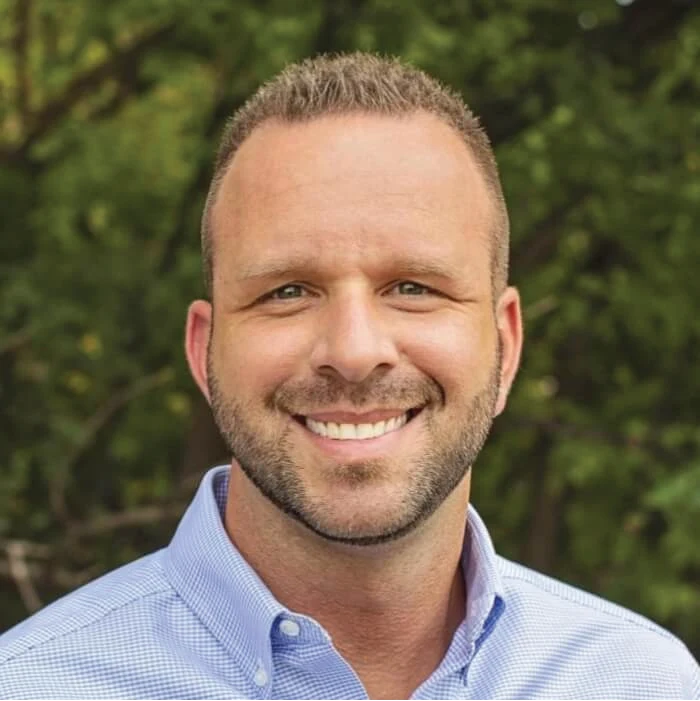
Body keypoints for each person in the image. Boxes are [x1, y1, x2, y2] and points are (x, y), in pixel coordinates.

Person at [0, 52, 697, 701]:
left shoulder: (643, 683)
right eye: (288, 292)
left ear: (506, 346)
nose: (355, 351)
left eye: (414, 287)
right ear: (205, 353)